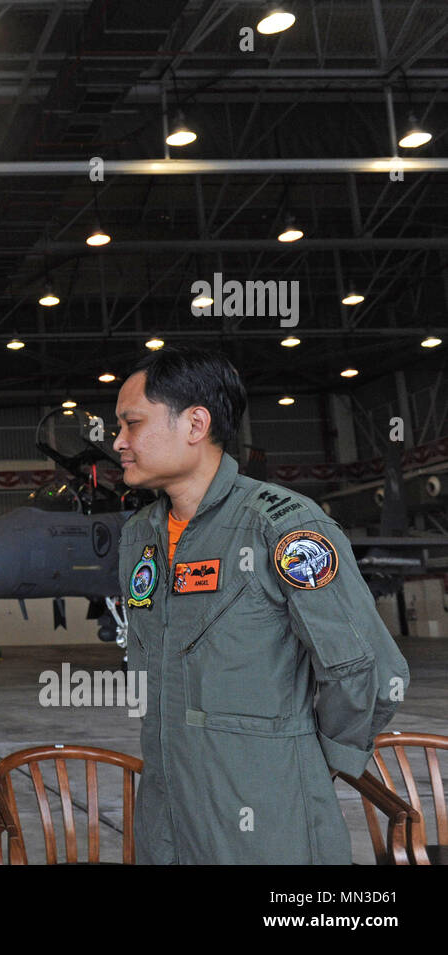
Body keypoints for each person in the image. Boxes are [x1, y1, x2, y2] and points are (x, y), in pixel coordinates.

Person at [112, 345, 409, 864]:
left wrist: (309, 763)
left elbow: (369, 669)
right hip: (167, 819)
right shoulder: (141, 535)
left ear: (195, 424)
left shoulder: (284, 526)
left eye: (131, 424)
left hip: (270, 819)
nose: (118, 442)